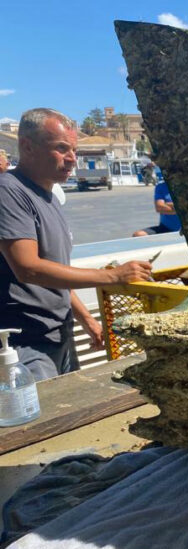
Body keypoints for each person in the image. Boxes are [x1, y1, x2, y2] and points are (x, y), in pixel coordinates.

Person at [0, 108, 152, 380]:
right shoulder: (8, 192)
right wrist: (113, 276)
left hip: (60, 334)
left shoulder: (49, 198)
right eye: (61, 149)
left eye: (73, 149)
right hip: (27, 342)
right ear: (27, 146)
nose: (72, 159)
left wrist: (87, 320)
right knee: (43, 420)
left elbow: (55, 273)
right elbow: (28, 268)